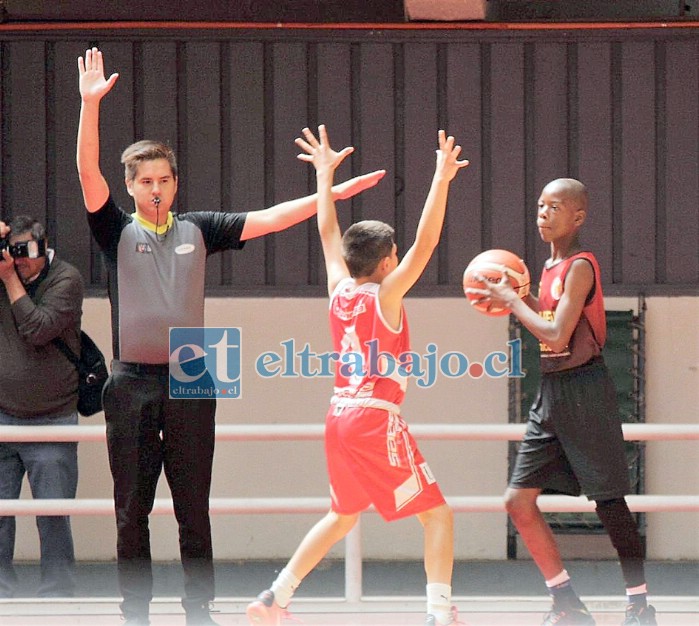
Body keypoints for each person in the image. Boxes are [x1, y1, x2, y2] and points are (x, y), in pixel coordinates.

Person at [76, 48, 385, 626]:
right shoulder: (113, 228)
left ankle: (200, 612)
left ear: (174, 181)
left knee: (194, 507)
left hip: (193, 370)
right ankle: (134, 614)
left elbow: (268, 217)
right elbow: (87, 173)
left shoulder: (200, 228)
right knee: (131, 510)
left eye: (163, 179)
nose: (155, 188)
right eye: (144, 182)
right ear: (132, 186)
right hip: (130, 378)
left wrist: (331, 196)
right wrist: (90, 106)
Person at [246, 125, 469, 626]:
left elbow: (327, 231)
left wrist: (324, 177)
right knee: (438, 515)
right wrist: (442, 177)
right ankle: (438, 614)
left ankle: (273, 598)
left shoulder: (339, 288)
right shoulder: (385, 296)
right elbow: (427, 241)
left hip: (339, 416)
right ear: (387, 261)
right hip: (373, 417)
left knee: (343, 515)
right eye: (395, 256)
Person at [466, 178, 657, 626]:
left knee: (609, 502)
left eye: (554, 206)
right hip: (551, 391)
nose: (543, 213)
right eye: (539, 205)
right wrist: (513, 294)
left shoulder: (580, 266)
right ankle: (567, 602)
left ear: (578, 216)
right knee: (517, 501)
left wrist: (513, 300)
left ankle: (640, 604)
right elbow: (547, 317)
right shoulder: (547, 271)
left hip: (586, 389)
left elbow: (555, 333)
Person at [0, 215, 83, 598]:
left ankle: (57, 593)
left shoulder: (65, 279)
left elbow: (37, 329)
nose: (19, 260)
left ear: (43, 246)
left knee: (53, 514)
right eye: (12, 251)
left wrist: (9, 280)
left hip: (52, 418)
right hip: (3, 415)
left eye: (26, 251)